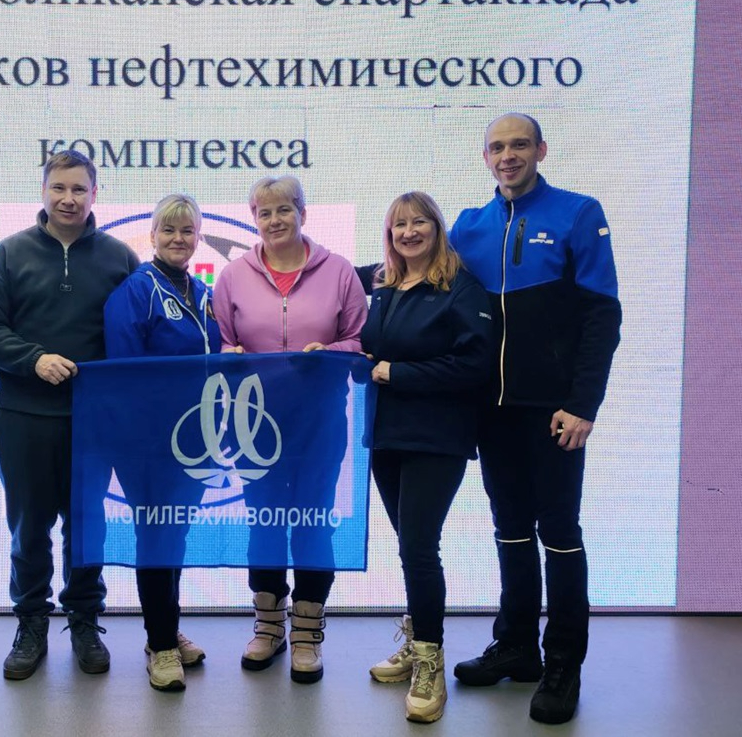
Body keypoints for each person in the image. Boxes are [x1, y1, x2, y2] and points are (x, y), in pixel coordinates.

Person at [448, 113, 622, 724]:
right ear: (485, 157)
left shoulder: (577, 213)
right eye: (497, 147)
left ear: (541, 150)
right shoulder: (469, 226)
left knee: (560, 532)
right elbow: (411, 271)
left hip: (555, 413)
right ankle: (517, 646)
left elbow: (603, 317)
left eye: (519, 144)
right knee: (510, 530)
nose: (508, 155)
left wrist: (583, 404)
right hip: (492, 411)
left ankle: (563, 664)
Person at [0, 150, 139, 681]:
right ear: (43, 191)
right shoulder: (9, 253)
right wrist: (33, 359)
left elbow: (138, 334)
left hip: (93, 422)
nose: (69, 199)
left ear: (95, 194)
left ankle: (85, 620)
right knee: (29, 527)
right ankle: (31, 623)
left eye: (79, 189)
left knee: (87, 526)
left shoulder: (119, 257)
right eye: (59, 188)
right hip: (23, 416)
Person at [212, 175, 367, 683]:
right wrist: (228, 354)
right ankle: (268, 628)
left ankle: (306, 634)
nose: (275, 220)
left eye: (285, 209)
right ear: (254, 218)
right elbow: (219, 343)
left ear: (303, 213)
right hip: (252, 423)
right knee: (264, 521)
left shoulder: (339, 271)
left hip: (319, 423)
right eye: (265, 212)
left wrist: (332, 351)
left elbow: (360, 340)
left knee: (312, 521)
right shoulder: (232, 276)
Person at [360, 192, 493, 723]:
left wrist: (399, 373)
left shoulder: (460, 287)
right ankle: (418, 639)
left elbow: (475, 364)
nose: (409, 232)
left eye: (419, 222)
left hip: (436, 438)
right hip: (386, 437)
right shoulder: (385, 286)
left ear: (437, 228)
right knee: (408, 546)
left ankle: (430, 662)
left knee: (418, 548)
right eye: (399, 224)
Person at [102, 193, 222, 692]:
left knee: (175, 535)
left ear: (198, 237)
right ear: (151, 236)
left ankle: (166, 629)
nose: (178, 238)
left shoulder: (202, 291)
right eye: (168, 230)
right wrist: (149, 440)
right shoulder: (136, 291)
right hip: (148, 444)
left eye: (187, 230)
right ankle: (161, 645)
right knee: (155, 535)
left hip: (196, 439)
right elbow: (127, 376)